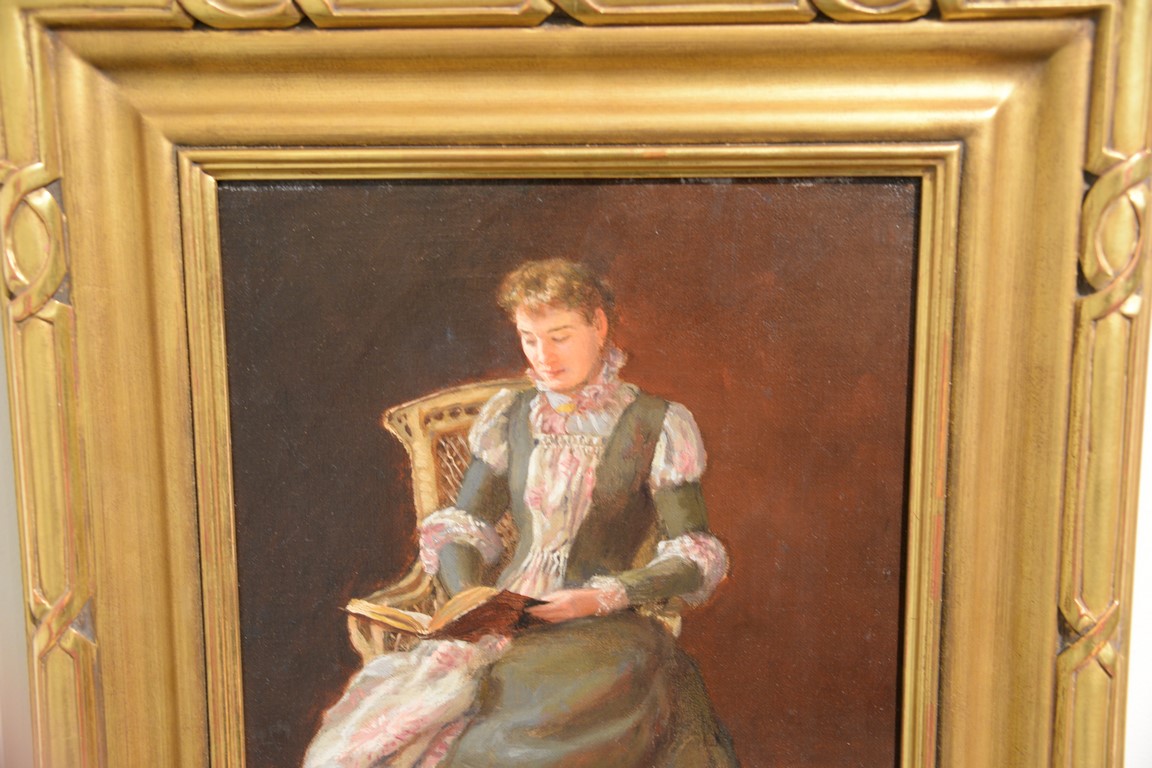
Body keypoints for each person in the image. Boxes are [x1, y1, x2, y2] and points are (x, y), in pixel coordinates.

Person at [305, 259, 737, 768]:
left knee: (550, 726)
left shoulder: (656, 423)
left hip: (606, 631)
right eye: (530, 340)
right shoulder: (511, 416)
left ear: (599, 326)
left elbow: (693, 555)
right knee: (456, 709)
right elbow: (462, 526)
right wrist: (470, 598)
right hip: (506, 621)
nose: (544, 357)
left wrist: (602, 595)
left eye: (560, 337)